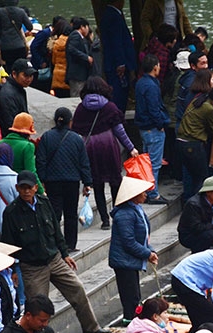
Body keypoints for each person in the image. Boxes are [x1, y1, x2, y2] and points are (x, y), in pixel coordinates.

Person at [1, 170, 104, 333]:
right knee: (36, 309)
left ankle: (92, 328)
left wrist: (65, 254)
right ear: (17, 188)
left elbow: (56, 230)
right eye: (23, 188)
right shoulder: (11, 213)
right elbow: (8, 244)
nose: (26, 191)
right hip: (32, 267)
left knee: (77, 288)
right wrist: (12, 269)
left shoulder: (44, 203)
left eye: (29, 187)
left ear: (36, 187)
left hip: (54, 259)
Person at [73, 76, 139, 229]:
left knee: (97, 183)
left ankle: (104, 220)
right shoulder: (109, 107)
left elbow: (76, 132)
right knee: (115, 181)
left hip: (90, 148)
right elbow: (119, 131)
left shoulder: (81, 108)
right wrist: (131, 148)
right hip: (108, 146)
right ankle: (117, 214)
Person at [36, 107, 94, 252]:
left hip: (52, 181)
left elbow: (41, 161)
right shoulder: (77, 139)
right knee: (71, 214)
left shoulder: (46, 137)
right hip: (72, 182)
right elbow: (84, 163)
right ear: (70, 122)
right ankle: (70, 244)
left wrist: (42, 179)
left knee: (54, 214)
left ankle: (55, 243)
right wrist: (87, 183)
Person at [108, 176, 159, 320]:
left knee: (134, 296)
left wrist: (150, 250)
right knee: (131, 298)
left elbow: (141, 237)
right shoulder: (125, 214)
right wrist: (147, 254)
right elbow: (129, 242)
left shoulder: (136, 210)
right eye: (143, 192)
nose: (145, 195)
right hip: (124, 262)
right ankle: (131, 324)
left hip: (130, 261)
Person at [179, 84, 213, 200]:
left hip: (182, 142)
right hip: (194, 143)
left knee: (192, 176)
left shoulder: (199, 100)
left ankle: (189, 202)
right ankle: (198, 206)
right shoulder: (209, 109)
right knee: (201, 178)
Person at [134, 53, 170, 203]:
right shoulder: (151, 86)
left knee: (147, 162)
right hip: (153, 128)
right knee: (154, 163)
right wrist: (161, 124)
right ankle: (153, 193)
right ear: (155, 67)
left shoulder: (141, 82)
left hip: (144, 127)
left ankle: (148, 190)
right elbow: (154, 109)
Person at [178, 176, 213, 253]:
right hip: (191, 234)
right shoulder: (193, 204)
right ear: (208, 192)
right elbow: (195, 226)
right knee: (210, 235)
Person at [0, 58, 35, 137]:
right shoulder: (8, 94)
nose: (29, 79)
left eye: (31, 76)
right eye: (25, 75)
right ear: (14, 74)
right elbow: (10, 123)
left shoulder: (19, 89)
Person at [64, 18, 93, 97]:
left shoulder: (79, 37)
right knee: (77, 95)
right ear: (82, 27)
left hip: (80, 73)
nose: (88, 30)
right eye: (87, 27)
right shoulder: (75, 35)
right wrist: (86, 57)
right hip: (77, 73)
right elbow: (71, 49)